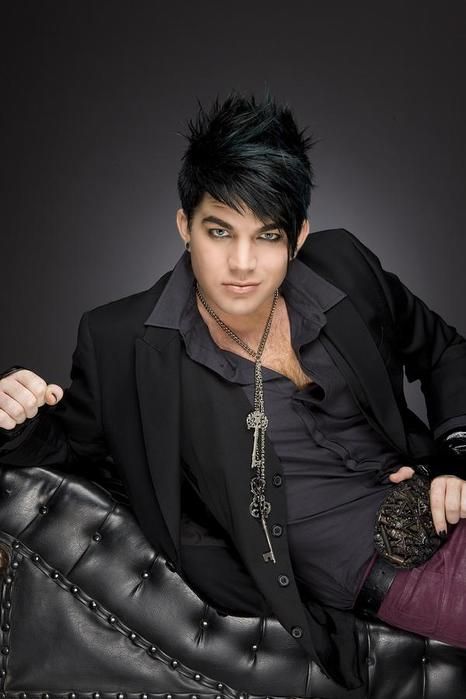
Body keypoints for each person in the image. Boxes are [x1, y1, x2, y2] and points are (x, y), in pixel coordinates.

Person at [1, 89, 466, 693]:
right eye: (219, 231)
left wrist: (454, 457)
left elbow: (445, 351)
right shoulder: (122, 341)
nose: (242, 263)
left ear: (298, 237)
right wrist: (17, 414)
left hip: (445, 505)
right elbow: (74, 450)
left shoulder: (345, 266)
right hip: (388, 571)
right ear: (184, 227)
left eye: (267, 236)